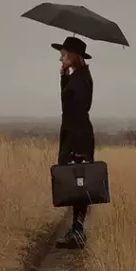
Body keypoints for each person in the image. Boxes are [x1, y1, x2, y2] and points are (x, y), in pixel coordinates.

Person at [53, 36, 95, 249]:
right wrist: (64, 77)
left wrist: (77, 148)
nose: (60, 58)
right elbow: (67, 103)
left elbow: (75, 111)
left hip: (78, 135)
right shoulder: (78, 76)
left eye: (63, 54)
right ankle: (77, 230)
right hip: (75, 133)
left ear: (73, 55)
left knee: (79, 182)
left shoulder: (81, 79)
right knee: (76, 182)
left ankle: (77, 232)